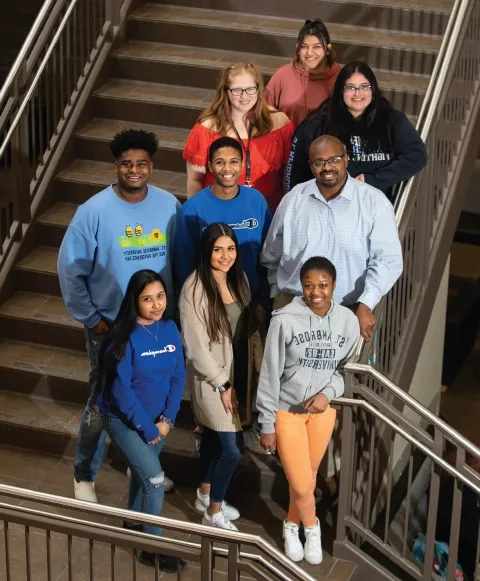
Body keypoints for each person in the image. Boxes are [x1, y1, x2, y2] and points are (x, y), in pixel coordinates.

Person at [58, 129, 179, 503]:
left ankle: (139, 460)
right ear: (115, 166)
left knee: (146, 397)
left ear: (151, 166)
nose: (134, 170)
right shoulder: (92, 211)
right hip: (109, 326)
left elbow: (178, 260)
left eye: (141, 163)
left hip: (155, 326)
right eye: (126, 163)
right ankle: (83, 475)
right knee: (102, 400)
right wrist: (92, 318)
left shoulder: (169, 205)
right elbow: (69, 270)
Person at [257, 256, 360, 564]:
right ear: (301, 287)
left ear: (334, 286)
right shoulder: (284, 319)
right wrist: (266, 424)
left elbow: (345, 369)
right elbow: (270, 373)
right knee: (302, 483)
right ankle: (310, 528)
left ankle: (291, 524)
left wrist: (328, 394)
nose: (316, 292)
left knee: (308, 477)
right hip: (286, 410)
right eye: (309, 286)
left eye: (323, 285)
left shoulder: (347, 322)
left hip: (322, 414)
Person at [261, 135, 403, 342]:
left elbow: (388, 261)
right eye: (319, 162)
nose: (327, 167)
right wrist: (276, 296)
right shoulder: (293, 199)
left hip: (348, 312)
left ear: (346, 160)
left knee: (339, 374)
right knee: (285, 373)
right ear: (311, 166)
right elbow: (271, 254)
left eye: (334, 160)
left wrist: (366, 304)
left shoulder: (374, 203)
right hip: (293, 310)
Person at [98, 270, 186, 572]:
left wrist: (168, 419)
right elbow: (121, 392)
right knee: (155, 481)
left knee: (141, 475)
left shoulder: (170, 328)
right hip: (124, 420)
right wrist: (149, 429)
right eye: (147, 299)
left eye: (160, 296)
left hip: (158, 420)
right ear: (135, 302)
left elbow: (178, 376)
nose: (156, 304)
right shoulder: (123, 338)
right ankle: (153, 549)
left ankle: (134, 520)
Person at [179, 223, 256, 531]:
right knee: (231, 448)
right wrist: (223, 384)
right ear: (206, 251)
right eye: (218, 249)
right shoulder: (194, 288)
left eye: (231, 249)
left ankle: (204, 493)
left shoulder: (240, 279)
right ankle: (213, 512)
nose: (225, 256)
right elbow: (197, 349)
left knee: (212, 437)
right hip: (212, 377)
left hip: (238, 369)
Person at [285, 61, 427, 199]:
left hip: (375, 209)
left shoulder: (392, 120)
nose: (358, 94)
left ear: (373, 89)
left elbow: (417, 155)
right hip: (327, 208)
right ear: (341, 90)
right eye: (350, 87)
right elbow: (295, 173)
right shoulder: (316, 124)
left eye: (364, 87)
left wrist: (373, 180)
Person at [183, 62, 295, 213]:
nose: (244, 96)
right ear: (226, 91)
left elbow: (287, 174)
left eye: (250, 89)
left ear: (258, 90)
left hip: (267, 211)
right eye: (237, 90)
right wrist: (196, 217)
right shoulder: (207, 128)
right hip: (220, 209)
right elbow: (195, 180)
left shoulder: (279, 123)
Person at [175, 136, 271, 307]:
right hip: (209, 302)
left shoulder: (257, 200)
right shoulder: (192, 209)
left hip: (251, 298)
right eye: (220, 162)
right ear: (210, 166)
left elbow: (268, 252)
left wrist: (262, 299)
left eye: (233, 161)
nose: (227, 168)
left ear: (242, 165)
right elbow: (184, 262)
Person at [265, 19, 341, 126]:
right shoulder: (282, 75)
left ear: (328, 49)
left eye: (316, 47)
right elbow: (264, 113)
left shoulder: (341, 77)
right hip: (287, 141)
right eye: (304, 47)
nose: (310, 53)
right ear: (298, 48)